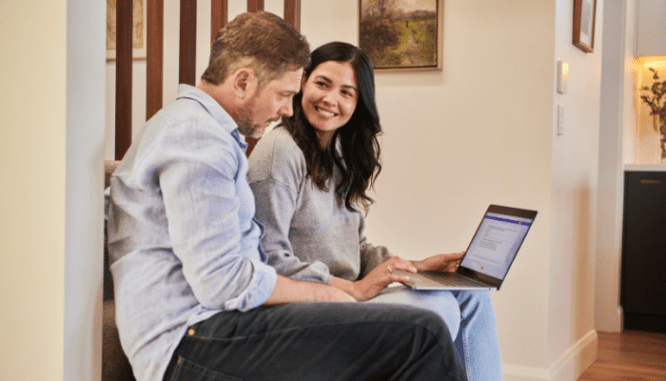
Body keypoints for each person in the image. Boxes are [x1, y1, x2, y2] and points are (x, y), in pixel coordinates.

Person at [107, 12, 466, 381]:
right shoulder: (196, 138)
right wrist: (333, 296)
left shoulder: (206, 134)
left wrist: (377, 282)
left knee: (422, 324)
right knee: (422, 333)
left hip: (219, 326)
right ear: (244, 81)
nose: (287, 109)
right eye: (283, 94)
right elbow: (222, 281)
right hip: (191, 342)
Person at [248, 41, 502, 380]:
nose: (330, 100)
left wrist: (414, 266)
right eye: (322, 84)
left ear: (358, 103)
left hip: (350, 296)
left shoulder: (336, 153)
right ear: (303, 83)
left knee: (471, 294)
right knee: (440, 309)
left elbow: (355, 247)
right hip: (311, 308)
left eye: (346, 92)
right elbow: (268, 260)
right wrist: (352, 289)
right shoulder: (280, 151)